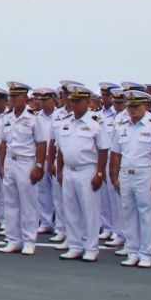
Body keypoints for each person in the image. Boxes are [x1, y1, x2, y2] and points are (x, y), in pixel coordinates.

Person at [108, 88, 151, 268]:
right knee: (128, 213)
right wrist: (114, 175)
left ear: (146, 106)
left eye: (136, 106)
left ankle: (147, 253)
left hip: (144, 174)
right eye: (130, 106)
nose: (132, 110)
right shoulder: (122, 128)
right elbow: (116, 154)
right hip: (126, 174)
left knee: (146, 214)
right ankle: (132, 250)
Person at [52, 85, 106, 262]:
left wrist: (99, 174)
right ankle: (74, 245)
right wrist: (59, 170)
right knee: (71, 209)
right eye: (72, 100)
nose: (74, 104)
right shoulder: (65, 123)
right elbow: (60, 150)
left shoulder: (95, 123)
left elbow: (103, 149)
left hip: (87, 170)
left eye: (78, 101)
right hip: (69, 171)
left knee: (89, 211)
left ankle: (91, 248)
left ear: (88, 102)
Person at [0, 80, 48, 255]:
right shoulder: (7, 117)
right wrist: (1, 164)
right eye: (11, 96)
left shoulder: (34, 118)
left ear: (25, 98)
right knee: (11, 203)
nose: (12, 99)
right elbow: (3, 142)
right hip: (11, 161)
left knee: (28, 203)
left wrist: (39, 166)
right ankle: (13, 239)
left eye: (16, 96)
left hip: (26, 162)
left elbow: (41, 144)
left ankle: (29, 240)